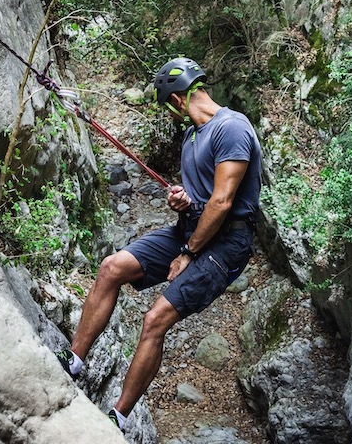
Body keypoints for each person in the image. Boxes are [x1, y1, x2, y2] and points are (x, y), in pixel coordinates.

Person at [55, 57, 262, 432]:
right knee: (111, 268)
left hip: (226, 243)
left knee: (155, 320)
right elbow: (204, 198)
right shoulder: (192, 136)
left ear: (178, 100)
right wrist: (182, 199)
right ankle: (73, 361)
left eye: (169, 107)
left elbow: (222, 202)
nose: (171, 115)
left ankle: (117, 417)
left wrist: (188, 253)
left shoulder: (231, 128)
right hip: (191, 229)